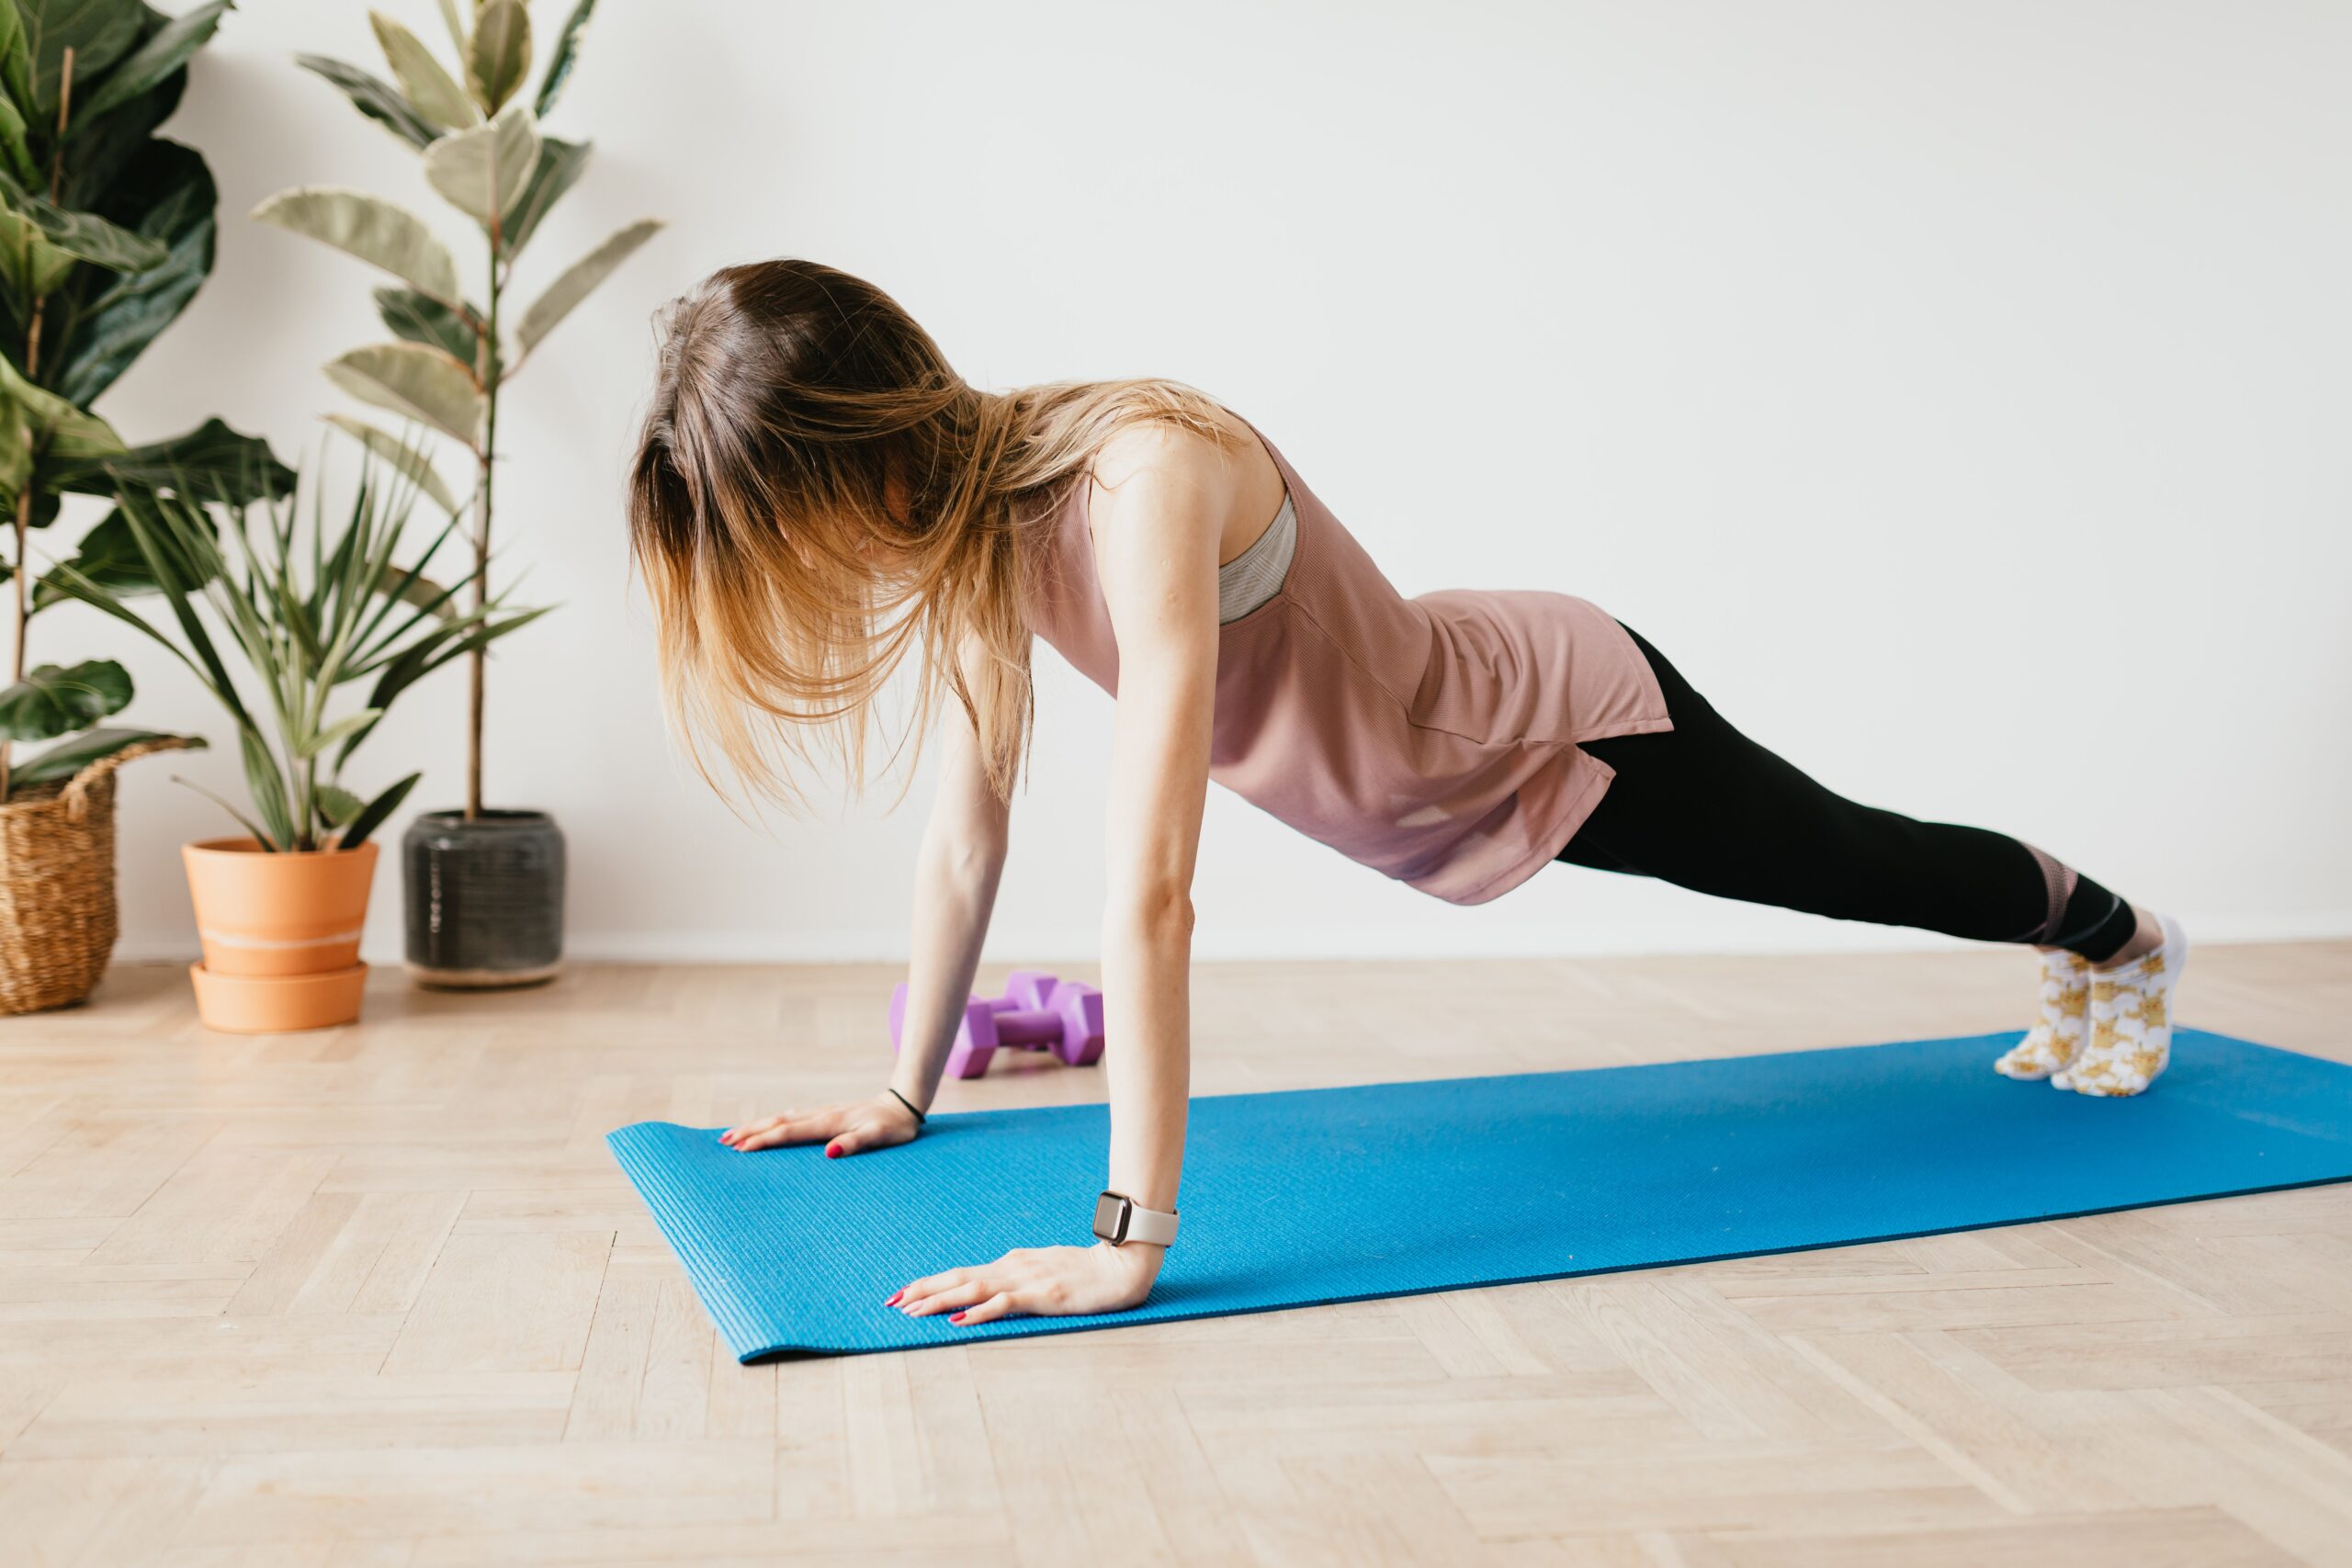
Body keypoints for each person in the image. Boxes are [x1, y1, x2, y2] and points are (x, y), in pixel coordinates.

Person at [626, 259, 2188, 1328]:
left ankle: (2115, 933)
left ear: (868, 451)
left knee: (1855, 866)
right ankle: (2095, 942)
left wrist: (1127, 1245)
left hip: (1552, 733)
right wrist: (904, 1093)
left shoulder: (1136, 478)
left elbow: (1152, 887)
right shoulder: (964, 521)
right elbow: (968, 833)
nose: (814, 571)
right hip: (1428, 795)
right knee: (1852, 863)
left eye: (798, 527)